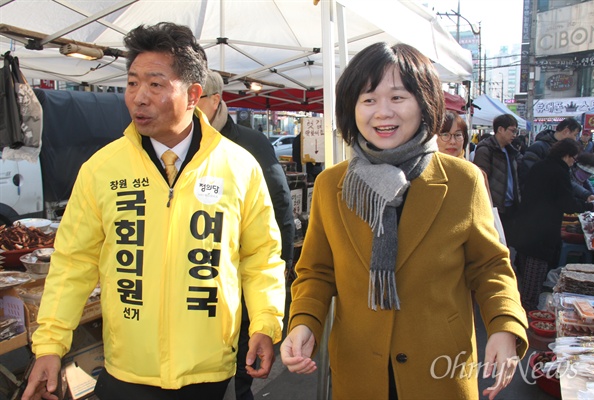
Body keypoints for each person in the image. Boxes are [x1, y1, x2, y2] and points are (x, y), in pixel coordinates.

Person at [22, 22, 286, 400]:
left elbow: (261, 257)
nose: (138, 97)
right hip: (128, 371)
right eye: (132, 83)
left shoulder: (239, 167)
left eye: (155, 84)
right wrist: (49, 345)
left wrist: (266, 323)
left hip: (212, 372)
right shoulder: (102, 169)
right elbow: (73, 263)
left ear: (194, 94)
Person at [280, 42, 528, 400]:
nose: (382, 113)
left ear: (424, 102)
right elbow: (317, 271)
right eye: (368, 99)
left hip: (441, 368)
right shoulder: (331, 184)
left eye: (397, 98)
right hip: (359, 369)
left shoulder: (463, 179)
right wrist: (304, 322)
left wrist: (505, 325)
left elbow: (490, 267)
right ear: (352, 109)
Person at [197, 70, 294, 400]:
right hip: (199, 278)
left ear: (214, 101)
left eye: (195, 99)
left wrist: (282, 264)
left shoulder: (249, 144)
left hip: (241, 275)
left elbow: (280, 205)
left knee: (239, 366)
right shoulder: (184, 147)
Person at [513, 139, 594, 311]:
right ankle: (528, 315)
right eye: (573, 159)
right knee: (534, 277)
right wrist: (590, 205)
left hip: (526, 225)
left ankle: (520, 308)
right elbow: (567, 203)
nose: (573, 162)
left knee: (523, 274)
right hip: (542, 230)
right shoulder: (558, 171)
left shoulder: (540, 166)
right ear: (566, 155)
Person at [473, 114, 521, 247]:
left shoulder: (510, 151)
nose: (514, 135)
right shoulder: (486, 149)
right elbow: (481, 179)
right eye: (512, 130)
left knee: (508, 245)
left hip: (510, 206)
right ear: (500, 129)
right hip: (495, 207)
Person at [518, 117, 582, 184]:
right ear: (566, 131)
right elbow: (529, 175)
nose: (575, 139)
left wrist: (584, 193)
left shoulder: (567, 151)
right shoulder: (538, 148)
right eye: (575, 135)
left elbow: (569, 179)